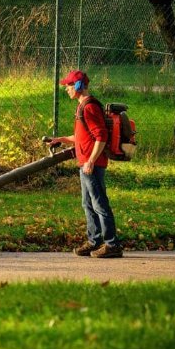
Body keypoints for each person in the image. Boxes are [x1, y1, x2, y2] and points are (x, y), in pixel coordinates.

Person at [48, 70, 123, 258]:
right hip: (86, 164)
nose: (66, 89)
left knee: (99, 204)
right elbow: (83, 136)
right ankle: (94, 241)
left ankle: (112, 244)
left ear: (79, 86)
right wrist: (61, 139)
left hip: (92, 165)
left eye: (69, 85)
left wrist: (90, 161)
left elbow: (101, 136)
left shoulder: (89, 107)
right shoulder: (82, 107)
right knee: (87, 204)